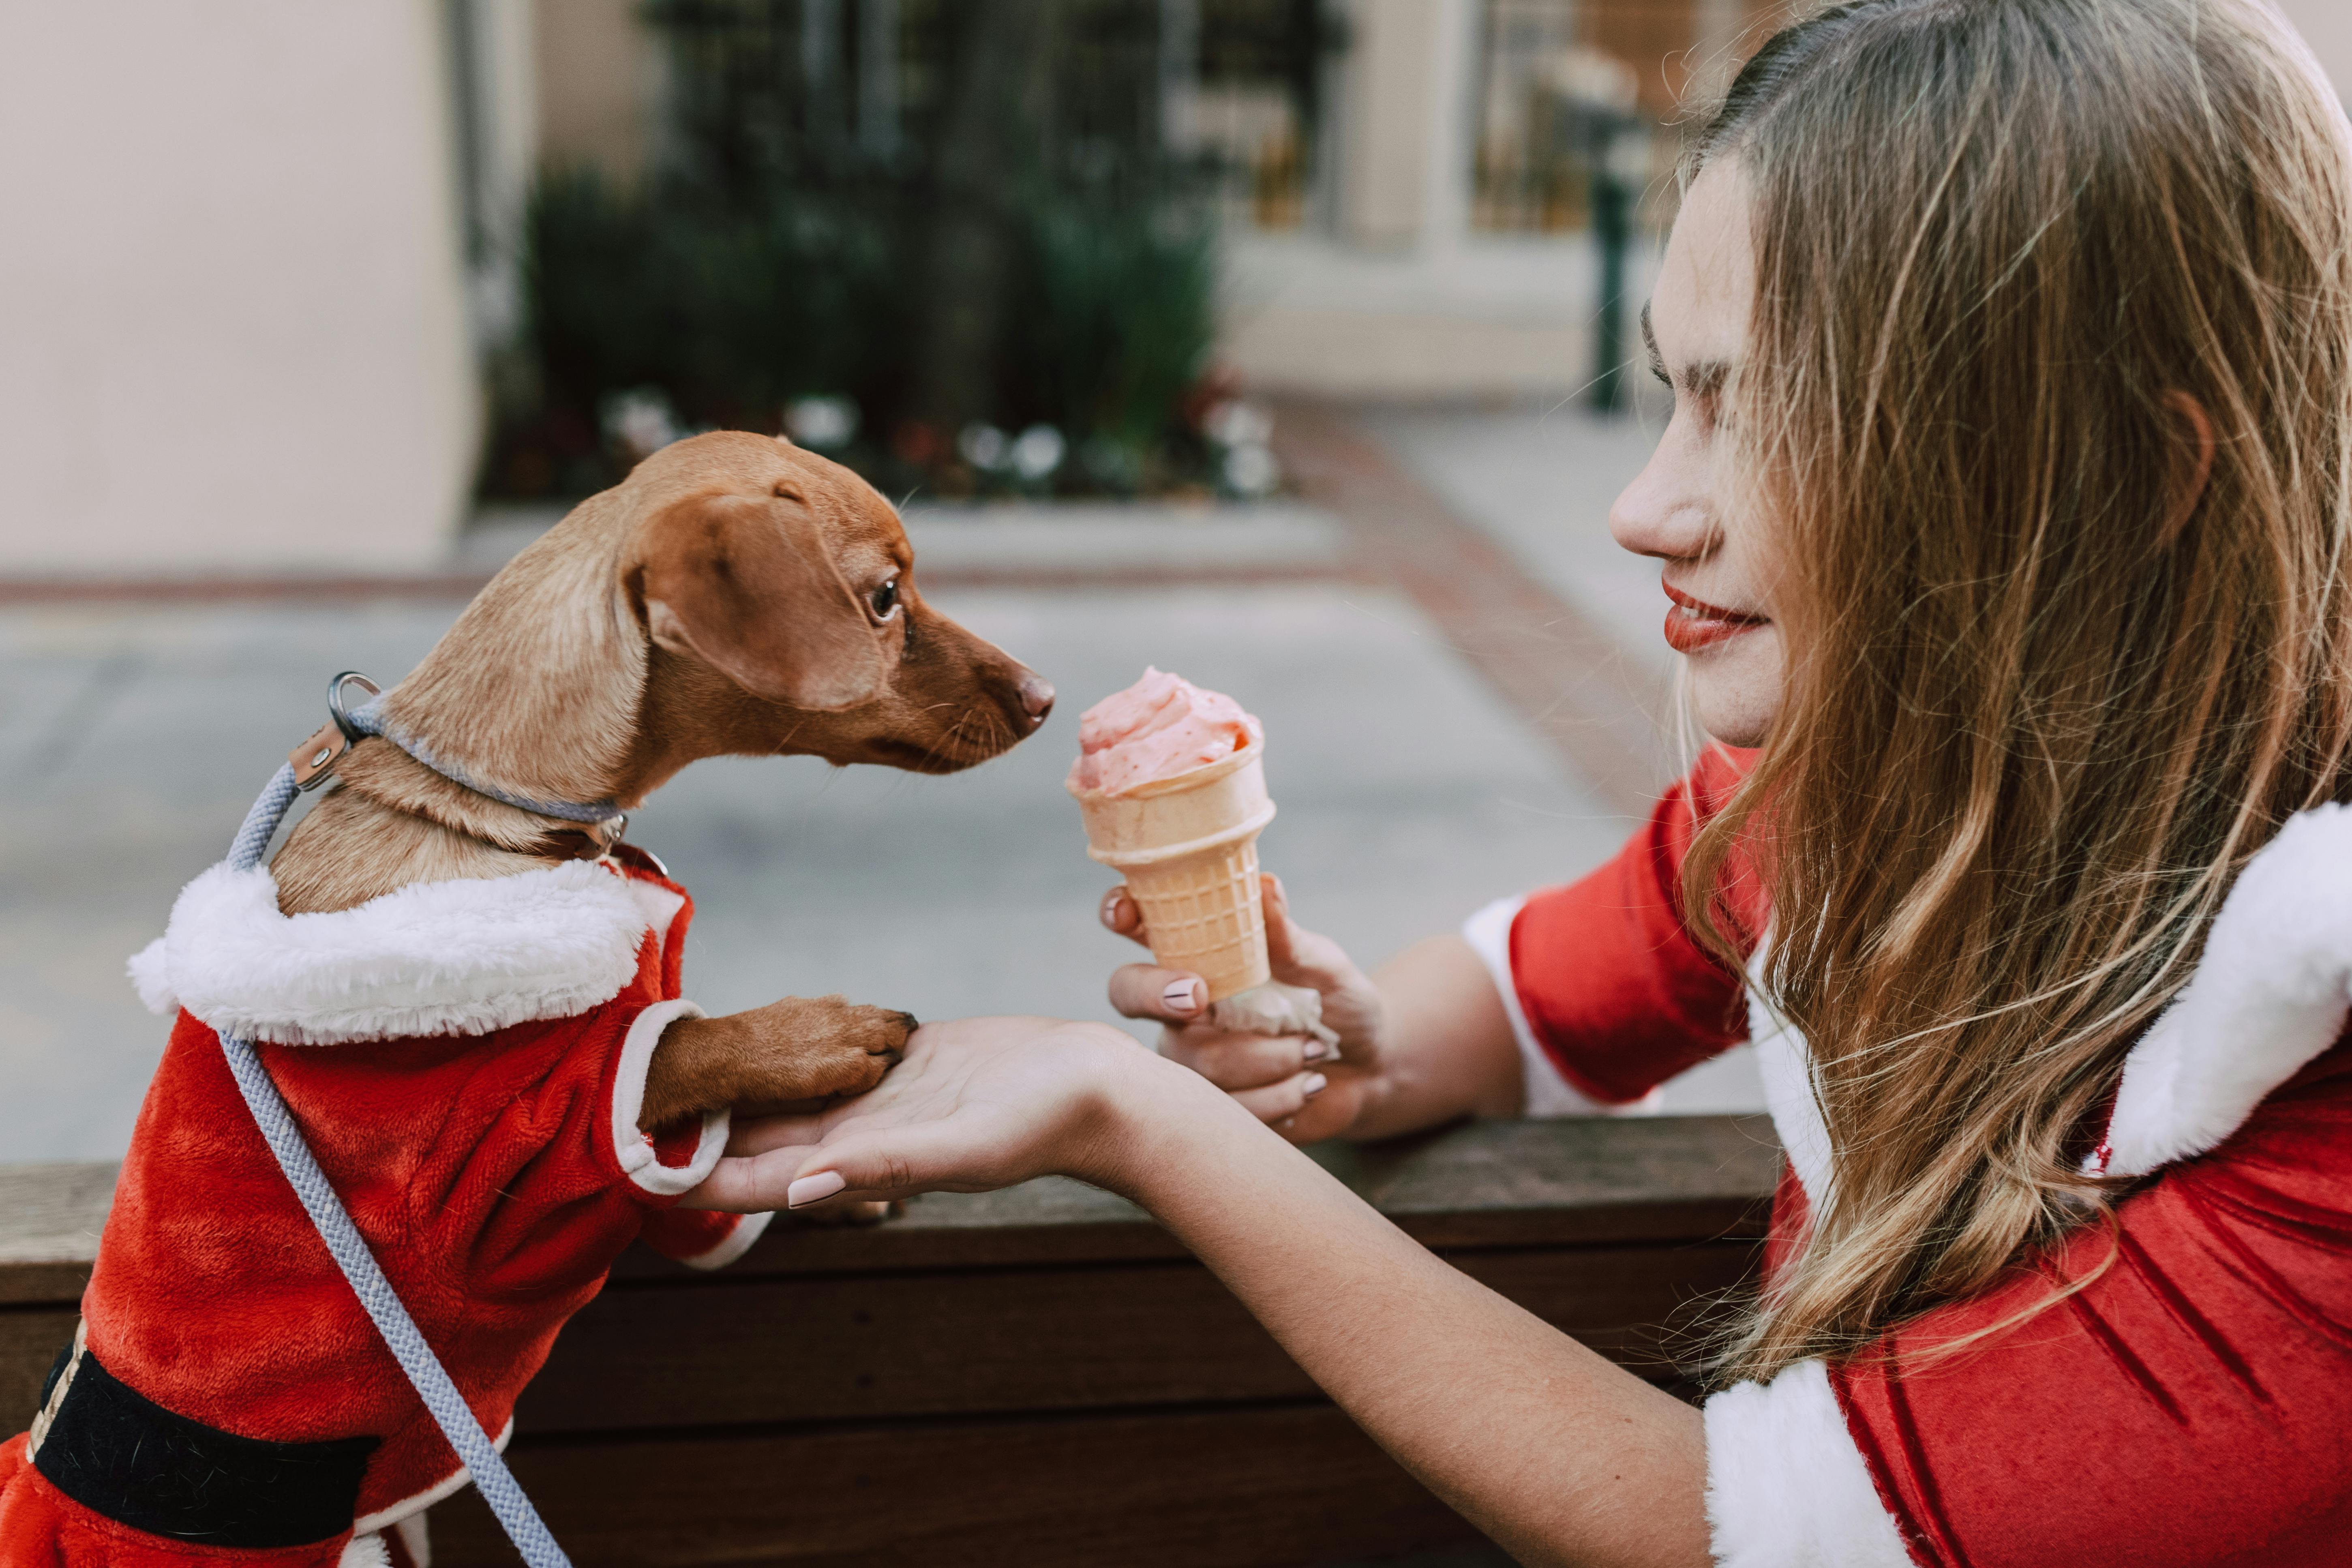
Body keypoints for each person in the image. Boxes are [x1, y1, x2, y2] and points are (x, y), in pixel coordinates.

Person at [689, 2, 2352, 1562]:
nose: (1641, 506)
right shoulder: (1835, 808)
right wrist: (1331, 1048)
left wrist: (1143, 1120)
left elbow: (1731, 1528)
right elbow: (1520, 996)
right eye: (1671, 389)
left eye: (1760, 413)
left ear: (2133, 481)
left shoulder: (2318, 1058)